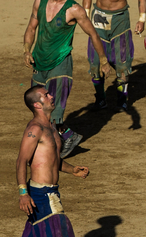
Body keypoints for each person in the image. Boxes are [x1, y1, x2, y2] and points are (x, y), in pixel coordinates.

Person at [2, 86, 89, 237]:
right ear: (37, 104)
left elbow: (52, 160)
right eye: (46, 95)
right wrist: (23, 193)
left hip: (50, 190)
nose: (51, 95)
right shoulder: (35, 128)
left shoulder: (50, 127)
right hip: (41, 193)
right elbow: (22, 161)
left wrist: (72, 170)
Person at [24, 0, 112, 158]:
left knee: (52, 114)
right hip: (39, 62)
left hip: (61, 64)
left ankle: (52, 155)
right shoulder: (39, 2)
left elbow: (93, 34)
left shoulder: (74, 9)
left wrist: (103, 61)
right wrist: (26, 50)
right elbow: (31, 28)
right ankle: (68, 135)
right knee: (38, 111)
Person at [82, 0, 146, 111]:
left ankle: (122, 100)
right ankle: (100, 99)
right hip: (98, 17)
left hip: (120, 19)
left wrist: (142, 19)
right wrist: (86, 15)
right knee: (95, 62)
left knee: (123, 63)